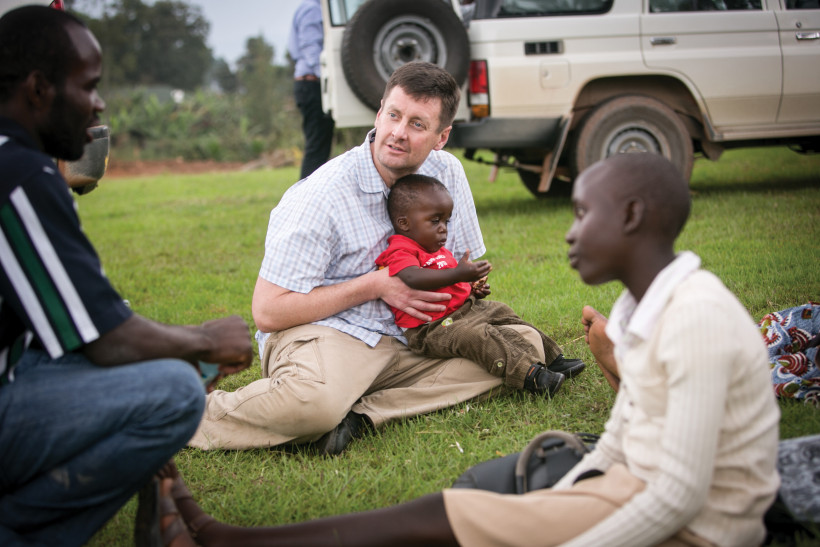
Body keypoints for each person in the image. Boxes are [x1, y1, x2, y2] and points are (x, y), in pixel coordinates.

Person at [160, 153, 780, 546]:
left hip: (697, 530)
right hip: (628, 489)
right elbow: (624, 438)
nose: (568, 231)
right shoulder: (636, 306)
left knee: (499, 386)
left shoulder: (694, 316)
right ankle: (216, 516)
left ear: (634, 216)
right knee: (449, 511)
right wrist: (572, 492)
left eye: (583, 212)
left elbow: (680, 498)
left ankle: (224, 538)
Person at [188, 61, 570, 455]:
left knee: (522, 347)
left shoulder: (448, 173)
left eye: (418, 124)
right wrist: (376, 285)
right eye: (394, 115)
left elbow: (456, 262)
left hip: (421, 335)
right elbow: (268, 313)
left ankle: (361, 416)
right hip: (331, 333)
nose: (399, 133)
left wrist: (468, 287)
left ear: (442, 137)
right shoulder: (321, 195)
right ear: (379, 113)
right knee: (313, 404)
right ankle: (185, 413)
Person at [0, 7, 254, 545]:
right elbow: (106, 340)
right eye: (88, 86)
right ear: (40, 89)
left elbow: (69, 323)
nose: (98, 103)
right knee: (175, 392)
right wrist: (205, 341)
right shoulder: (18, 175)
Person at [376, 173, 584, 397]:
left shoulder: (436, 249)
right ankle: (530, 375)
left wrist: (471, 287)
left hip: (464, 309)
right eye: (435, 221)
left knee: (501, 310)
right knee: (474, 336)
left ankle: (552, 358)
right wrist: (457, 274)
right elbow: (412, 277)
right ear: (404, 223)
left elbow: (448, 283)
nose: (443, 228)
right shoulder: (400, 249)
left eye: (446, 220)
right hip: (431, 328)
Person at [288, 0, 334, 179]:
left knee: (319, 148)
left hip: (310, 84)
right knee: (316, 149)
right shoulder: (312, 10)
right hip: (312, 84)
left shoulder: (311, 7)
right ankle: (306, 198)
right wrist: (327, 78)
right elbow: (311, 49)